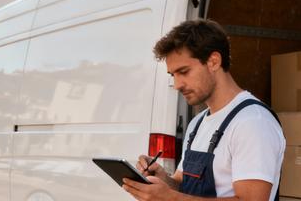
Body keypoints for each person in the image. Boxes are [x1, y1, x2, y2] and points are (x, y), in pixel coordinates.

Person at [121, 19, 285, 201]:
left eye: (183, 72)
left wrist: (170, 199)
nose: (176, 85)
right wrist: (163, 180)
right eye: (173, 75)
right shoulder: (197, 124)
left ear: (213, 62)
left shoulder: (253, 122)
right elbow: (182, 186)